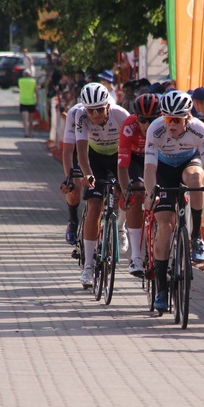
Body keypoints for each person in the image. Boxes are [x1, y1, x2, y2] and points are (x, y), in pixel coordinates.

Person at [143, 90, 204, 311]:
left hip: (188, 163)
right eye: (168, 118)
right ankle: (161, 289)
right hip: (164, 170)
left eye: (177, 119)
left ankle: (196, 236)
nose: (172, 124)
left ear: (188, 117)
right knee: (165, 227)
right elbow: (149, 169)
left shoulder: (200, 129)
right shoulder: (155, 129)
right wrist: (151, 192)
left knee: (197, 178)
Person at [76, 83, 131, 288]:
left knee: (126, 193)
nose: (96, 114)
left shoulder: (121, 115)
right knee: (94, 207)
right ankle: (88, 266)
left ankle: (121, 227)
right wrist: (88, 175)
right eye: (91, 111)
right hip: (95, 158)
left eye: (100, 109)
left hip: (120, 156)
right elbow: (81, 152)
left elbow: (130, 149)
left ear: (108, 106)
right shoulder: (80, 117)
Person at [118, 93, 161, 276]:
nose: (147, 125)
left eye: (151, 120)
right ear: (136, 118)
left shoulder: (164, 126)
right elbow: (122, 166)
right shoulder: (129, 126)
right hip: (136, 159)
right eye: (142, 120)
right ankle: (136, 256)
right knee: (136, 192)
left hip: (159, 159)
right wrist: (126, 191)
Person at [61, 101, 85, 247]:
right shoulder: (74, 113)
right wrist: (69, 178)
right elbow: (68, 150)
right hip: (78, 149)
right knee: (75, 186)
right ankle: (73, 220)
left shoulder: (112, 110)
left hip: (99, 149)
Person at [18, 70, 37, 138]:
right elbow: (36, 91)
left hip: (23, 101)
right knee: (31, 119)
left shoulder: (20, 81)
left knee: (25, 119)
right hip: (31, 102)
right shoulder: (33, 81)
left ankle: (26, 132)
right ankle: (30, 133)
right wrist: (36, 101)